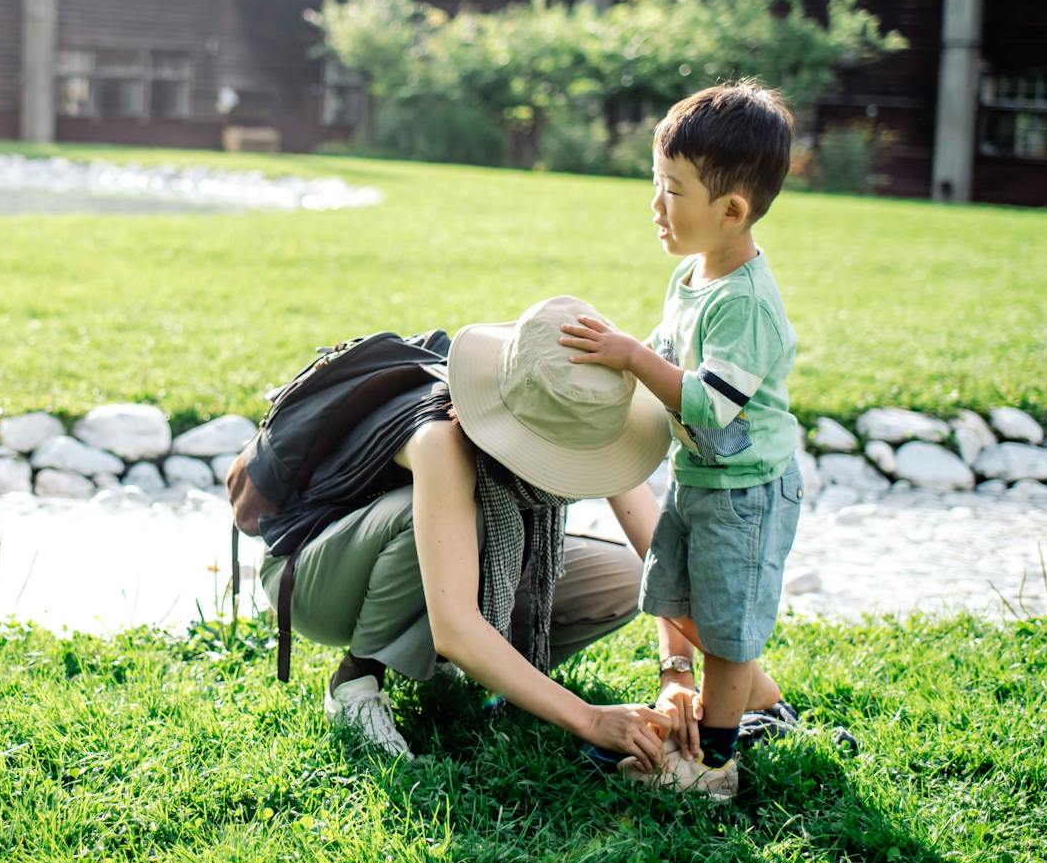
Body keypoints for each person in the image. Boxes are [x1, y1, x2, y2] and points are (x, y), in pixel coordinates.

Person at [259, 293, 690, 771]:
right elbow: (456, 630)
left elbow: (662, 564)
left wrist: (681, 675)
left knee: (625, 578)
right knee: (462, 514)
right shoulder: (440, 438)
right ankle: (357, 683)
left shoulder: (585, 412)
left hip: (414, 569)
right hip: (312, 581)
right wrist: (589, 720)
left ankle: (459, 672)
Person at [559, 81, 803, 802]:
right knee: (669, 588)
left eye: (672, 191)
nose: (655, 206)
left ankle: (717, 763)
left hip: (745, 494)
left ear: (731, 211)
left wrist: (634, 357)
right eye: (655, 185)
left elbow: (710, 406)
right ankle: (685, 709)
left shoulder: (746, 304)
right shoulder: (691, 275)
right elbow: (669, 364)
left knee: (727, 627)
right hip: (700, 482)